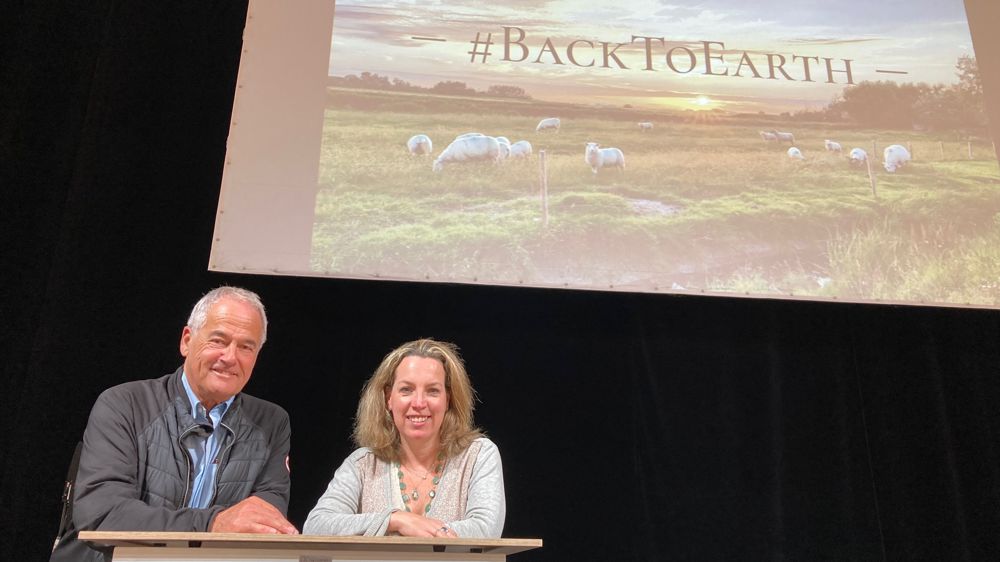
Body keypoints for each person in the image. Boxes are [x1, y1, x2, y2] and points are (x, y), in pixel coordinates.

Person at [51, 286, 298, 562]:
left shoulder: (272, 422)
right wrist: (212, 524)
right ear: (186, 341)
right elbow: (103, 514)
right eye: (218, 340)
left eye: (246, 347)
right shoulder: (124, 404)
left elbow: (266, 520)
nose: (230, 357)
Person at [304, 338, 505, 538]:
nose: (418, 402)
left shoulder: (479, 455)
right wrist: (395, 520)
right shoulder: (362, 464)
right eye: (406, 390)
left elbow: (485, 530)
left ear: (448, 400)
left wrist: (404, 531)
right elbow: (316, 525)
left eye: (432, 391)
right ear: (388, 398)